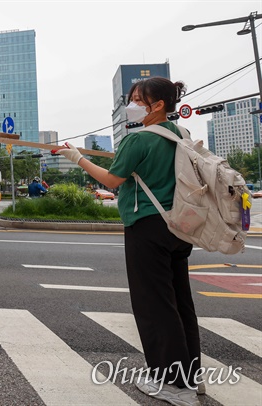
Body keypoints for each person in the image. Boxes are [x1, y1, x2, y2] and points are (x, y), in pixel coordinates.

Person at [53, 77, 202, 406]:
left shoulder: (140, 139)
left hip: (147, 228)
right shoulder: (182, 135)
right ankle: (192, 378)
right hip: (179, 226)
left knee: (154, 306)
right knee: (180, 303)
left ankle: (175, 387)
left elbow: (112, 179)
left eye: (136, 99)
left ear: (157, 104)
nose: (130, 104)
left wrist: (76, 157)